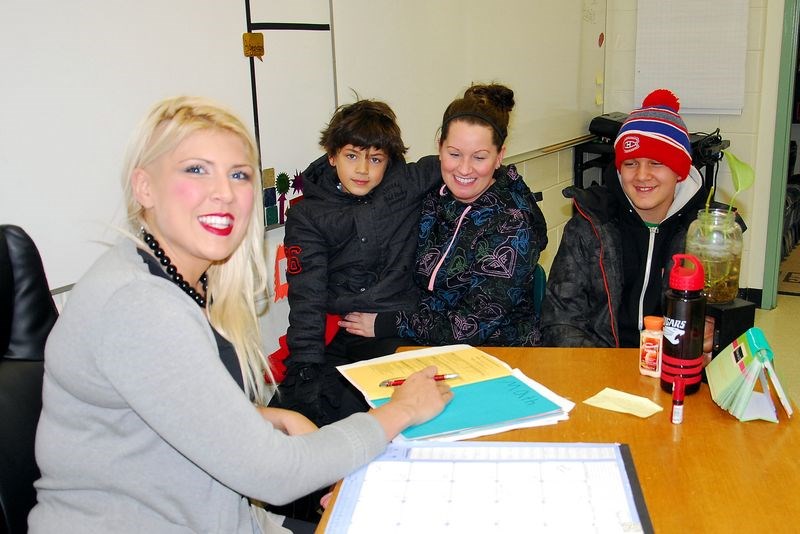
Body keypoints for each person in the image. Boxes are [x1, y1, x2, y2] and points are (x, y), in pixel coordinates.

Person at [28, 96, 452, 534]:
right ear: (144, 187)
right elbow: (275, 473)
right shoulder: (138, 306)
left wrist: (265, 416)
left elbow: (173, 412)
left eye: (238, 175)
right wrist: (399, 411)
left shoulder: (164, 276)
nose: (224, 193)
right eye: (195, 169)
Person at [271, 99, 442, 427]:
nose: (362, 170)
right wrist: (306, 365)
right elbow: (307, 294)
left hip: (399, 328)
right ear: (332, 155)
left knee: (394, 414)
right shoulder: (308, 214)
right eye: (351, 156)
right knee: (301, 414)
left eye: (375, 159)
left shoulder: (406, 183)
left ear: (388, 160)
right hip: (340, 331)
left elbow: (463, 162)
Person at [340, 83, 548, 347]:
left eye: (479, 157)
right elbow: (362, 167)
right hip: (424, 342)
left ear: (499, 157)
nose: (464, 168)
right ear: (440, 148)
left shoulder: (512, 225)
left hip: (495, 355)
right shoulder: (432, 195)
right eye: (454, 154)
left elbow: (469, 328)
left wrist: (388, 322)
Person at [541, 88, 711, 348]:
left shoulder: (705, 234)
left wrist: (708, 339)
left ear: (679, 171)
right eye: (631, 164)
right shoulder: (590, 224)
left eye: (656, 163)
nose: (642, 176)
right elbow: (561, 319)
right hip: (599, 366)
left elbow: (717, 318)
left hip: (671, 367)